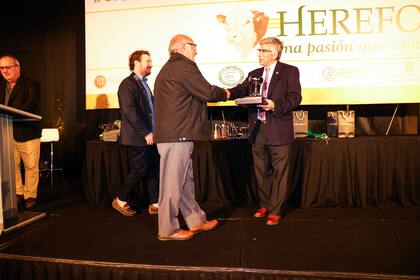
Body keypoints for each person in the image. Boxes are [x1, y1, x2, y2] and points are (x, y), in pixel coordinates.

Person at [153, 34, 230, 241]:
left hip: (177, 134)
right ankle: (167, 230)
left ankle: (195, 221)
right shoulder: (183, 65)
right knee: (172, 185)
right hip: (176, 135)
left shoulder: (172, 67)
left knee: (186, 181)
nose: (196, 50)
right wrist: (226, 93)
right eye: (194, 46)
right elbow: (207, 92)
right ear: (183, 47)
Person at [228, 37, 302, 225]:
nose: (259, 53)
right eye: (259, 50)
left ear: (275, 53)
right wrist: (225, 93)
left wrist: (275, 105)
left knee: (280, 172)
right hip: (257, 128)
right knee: (261, 171)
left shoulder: (289, 71)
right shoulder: (254, 73)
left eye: (264, 50)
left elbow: (295, 98)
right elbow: (241, 90)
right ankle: (265, 204)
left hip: (278, 128)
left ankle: (275, 210)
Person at [112, 50, 159, 216]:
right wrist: (146, 132)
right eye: (148, 61)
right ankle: (121, 200)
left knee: (154, 168)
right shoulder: (127, 84)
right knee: (140, 169)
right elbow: (129, 111)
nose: (151, 64)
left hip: (150, 135)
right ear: (137, 63)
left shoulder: (144, 83)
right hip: (139, 137)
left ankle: (155, 203)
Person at [0, 54, 41, 209]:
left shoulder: (31, 84)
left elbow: (30, 105)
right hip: (6, 133)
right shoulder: (1, 86)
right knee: (12, 166)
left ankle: (30, 196)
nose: (4, 71)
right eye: (1, 68)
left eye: (8, 67)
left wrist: (8, 113)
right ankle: (18, 193)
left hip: (27, 132)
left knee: (30, 166)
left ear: (17, 68)